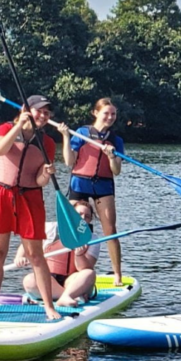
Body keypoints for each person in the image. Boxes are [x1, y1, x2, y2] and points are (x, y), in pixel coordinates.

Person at [0, 95, 61, 321]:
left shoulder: (48, 143)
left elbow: (40, 180)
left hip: (30, 197)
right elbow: (1, 150)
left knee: (36, 255)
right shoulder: (4, 128)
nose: (43, 116)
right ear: (26, 110)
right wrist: (18, 125)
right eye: (39, 111)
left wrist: (47, 173)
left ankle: (49, 307)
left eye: (47, 113)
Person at [60, 97, 125, 285]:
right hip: (80, 183)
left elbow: (116, 171)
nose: (110, 117)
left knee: (110, 231)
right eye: (106, 113)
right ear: (95, 113)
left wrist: (111, 157)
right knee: (71, 229)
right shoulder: (81, 133)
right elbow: (69, 161)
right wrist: (65, 137)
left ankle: (117, 275)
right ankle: (68, 271)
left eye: (113, 114)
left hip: (103, 186)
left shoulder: (116, 140)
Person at [19, 199, 100, 308]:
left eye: (87, 216)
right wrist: (20, 257)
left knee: (89, 274)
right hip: (49, 279)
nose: (83, 219)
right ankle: (66, 296)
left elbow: (85, 268)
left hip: (73, 280)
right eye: (79, 214)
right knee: (29, 280)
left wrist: (79, 255)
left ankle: (68, 294)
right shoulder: (50, 228)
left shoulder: (92, 239)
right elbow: (27, 241)